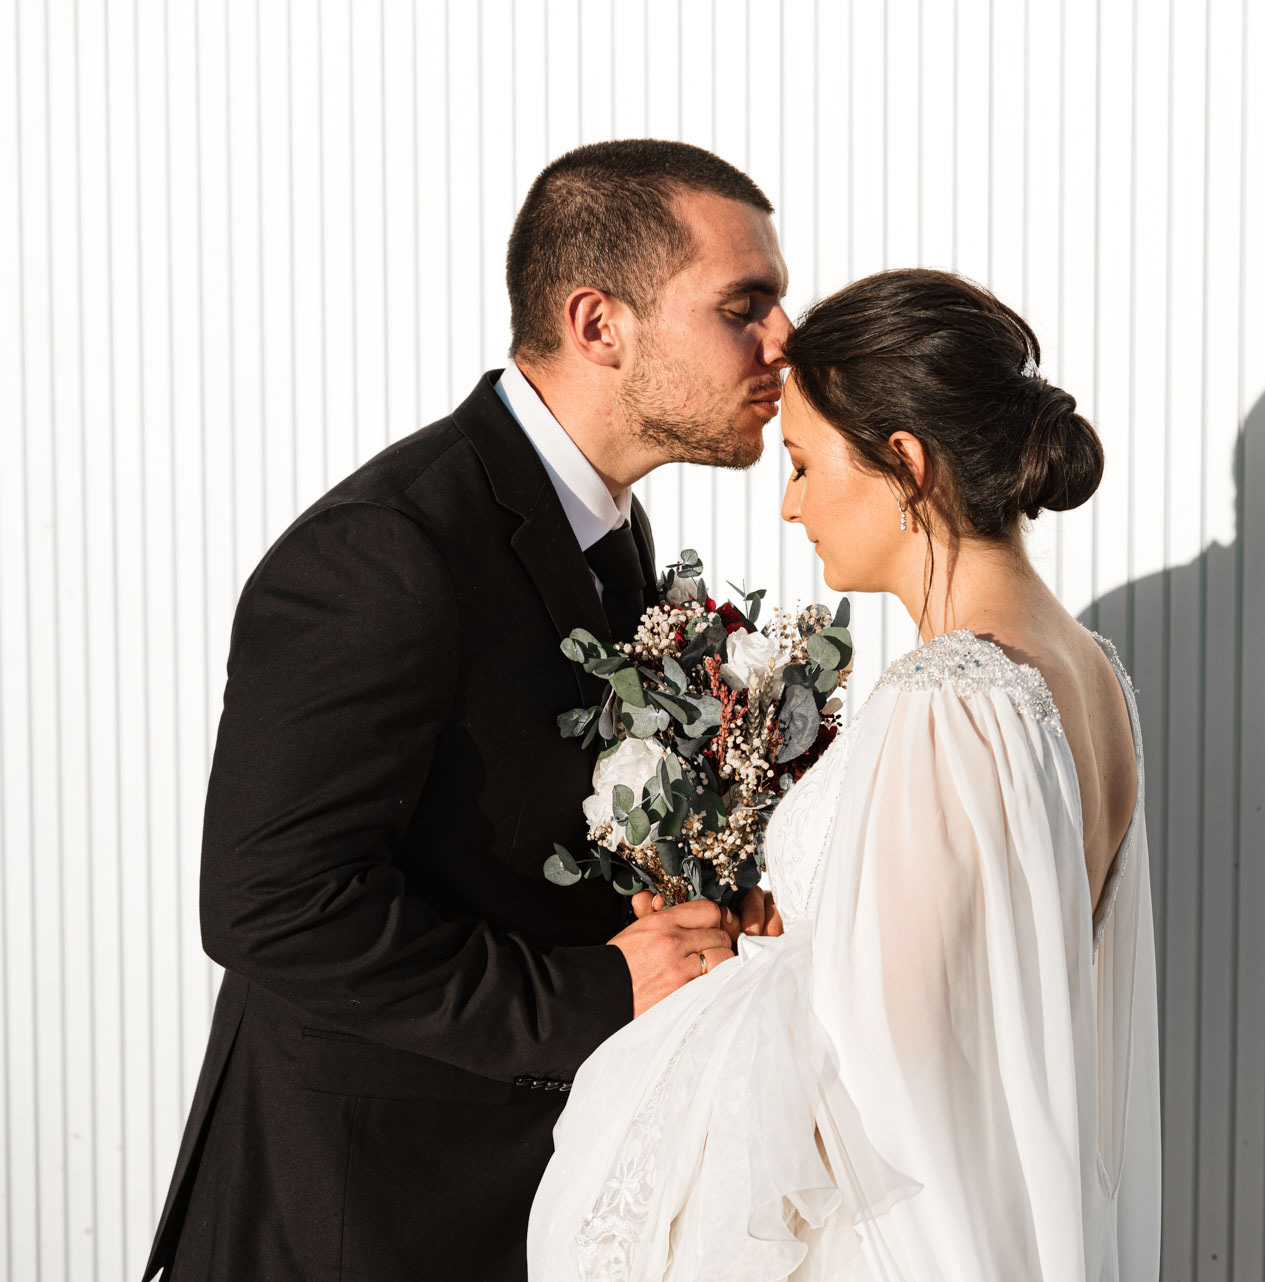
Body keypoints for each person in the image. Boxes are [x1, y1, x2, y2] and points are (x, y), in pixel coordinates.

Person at [143, 139, 794, 1281]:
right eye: (747, 305)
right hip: (357, 1217)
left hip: (525, 1195)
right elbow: (272, 906)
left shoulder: (613, 531)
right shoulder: (386, 553)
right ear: (600, 324)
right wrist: (599, 990)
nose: (785, 340)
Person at [527, 269, 1162, 1281]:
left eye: (804, 464)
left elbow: (879, 1069)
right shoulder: (1090, 671)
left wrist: (712, 995)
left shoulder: (948, 700)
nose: (789, 505)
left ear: (904, 464)